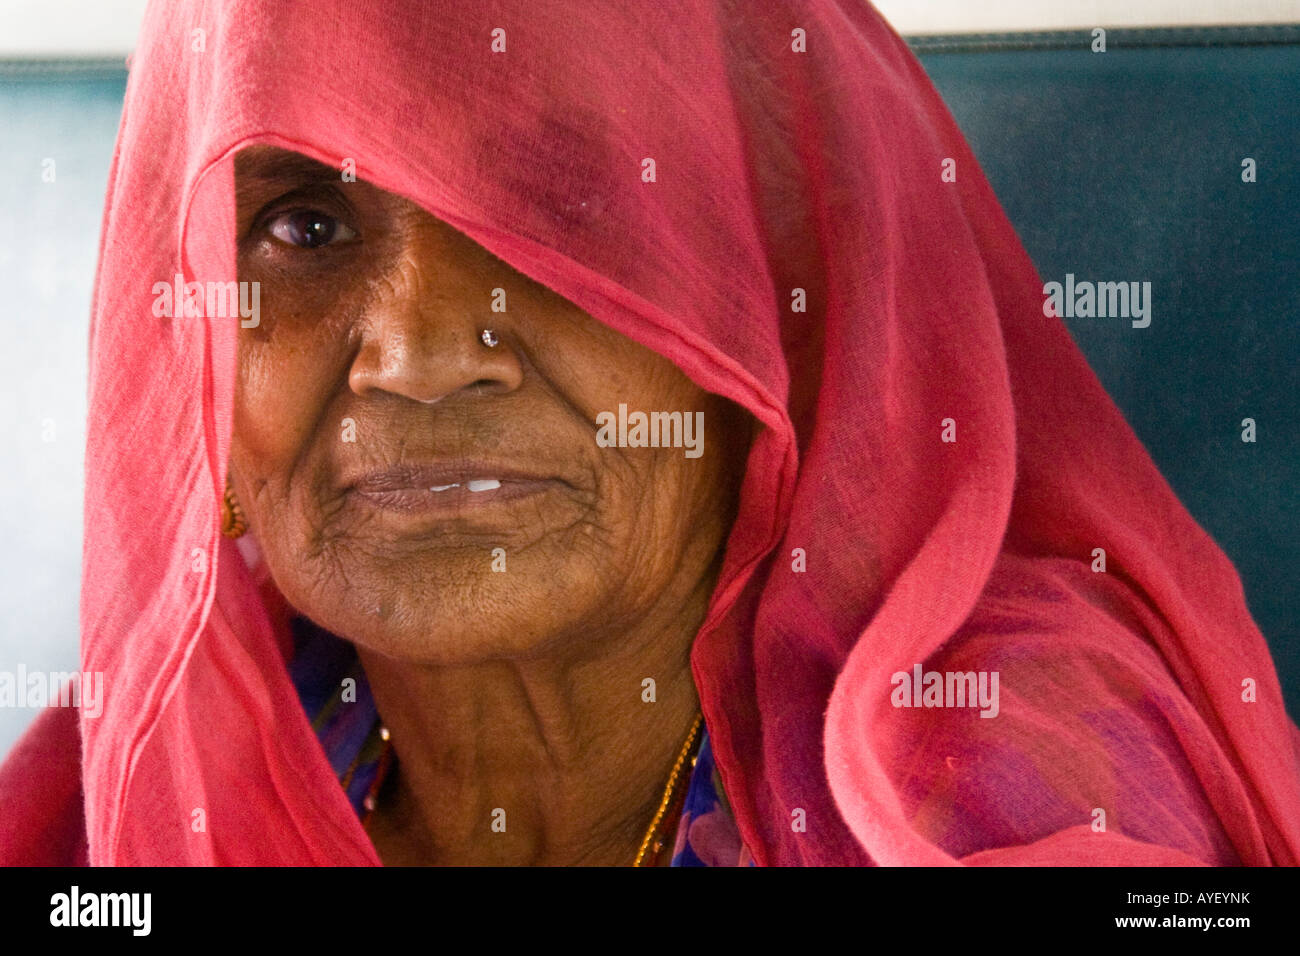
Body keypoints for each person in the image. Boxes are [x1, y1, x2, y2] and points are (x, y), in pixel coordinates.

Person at [1, 0, 1297, 866]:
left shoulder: (1000, 780)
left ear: (784, 314)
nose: (423, 355)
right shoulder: (157, 747)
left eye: (558, 212)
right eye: (304, 232)